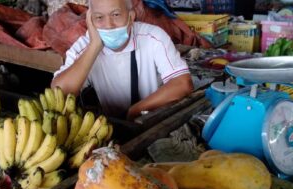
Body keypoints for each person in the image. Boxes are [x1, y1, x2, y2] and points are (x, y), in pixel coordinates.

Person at [51, 0, 193, 120]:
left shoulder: (153, 37)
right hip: (109, 128)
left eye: (116, 15)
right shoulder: (85, 47)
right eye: (99, 17)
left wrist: (134, 111)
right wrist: (94, 47)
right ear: (90, 20)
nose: (109, 25)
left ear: (131, 16)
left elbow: (182, 84)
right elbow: (59, 93)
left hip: (151, 119)